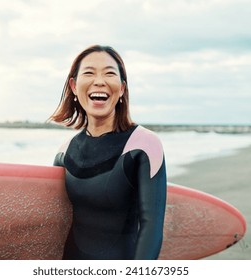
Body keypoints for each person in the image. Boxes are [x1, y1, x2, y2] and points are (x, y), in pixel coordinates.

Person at [49, 45, 167, 260]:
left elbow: (151, 226)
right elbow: (54, 223)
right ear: (74, 86)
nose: (99, 81)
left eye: (109, 73)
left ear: (121, 88)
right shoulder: (64, 152)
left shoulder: (144, 145)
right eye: (89, 73)